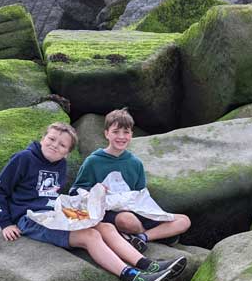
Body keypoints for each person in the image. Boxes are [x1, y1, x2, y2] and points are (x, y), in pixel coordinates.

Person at [0, 122, 186, 281]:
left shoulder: (60, 164)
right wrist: (6, 223)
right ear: (42, 139)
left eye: (62, 145)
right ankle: (131, 279)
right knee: (89, 235)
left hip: (56, 213)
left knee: (105, 226)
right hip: (31, 218)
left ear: (67, 153)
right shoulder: (24, 158)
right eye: (51, 139)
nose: (55, 145)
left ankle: (147, 265)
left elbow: (52, 196)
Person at [71, 108, 191, 253]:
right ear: (106, 133)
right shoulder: (93, 161)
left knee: (184, 220)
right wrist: (97, 190)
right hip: (110, 210)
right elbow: (76, 191)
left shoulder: (135, 163)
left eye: (126, 132)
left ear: (131, 135)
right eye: (116, 132)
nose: (121, 136)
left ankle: (143, 237)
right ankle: (161, 235)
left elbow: (141, 195)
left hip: (136, 209)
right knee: (127, 220)